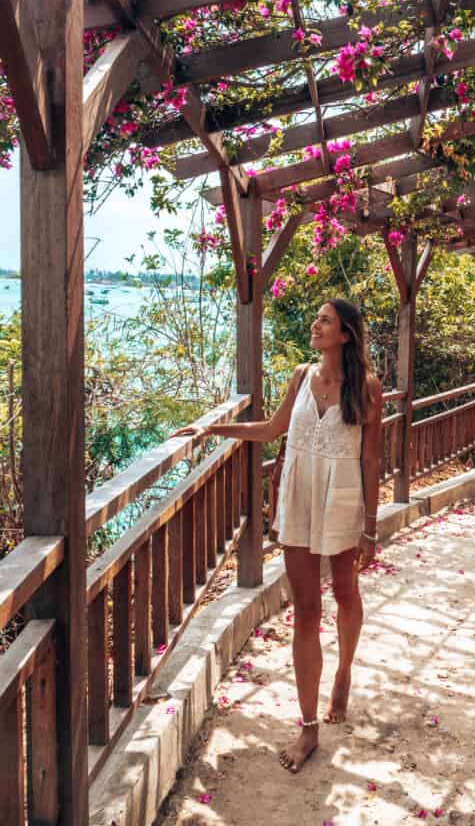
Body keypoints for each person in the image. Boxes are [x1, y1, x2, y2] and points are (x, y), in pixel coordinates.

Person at [171, 298, 383, 773]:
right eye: (318, 317)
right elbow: (270, 430)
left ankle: (343, 671)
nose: (316, 323)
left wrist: (370, 528)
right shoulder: (301, 375)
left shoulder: (368, 388)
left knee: (346, 591)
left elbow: (371, 460)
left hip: (342, 498)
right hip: (298, 500)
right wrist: (210, 428)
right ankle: (308, 726)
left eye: (325, 320)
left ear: (346, 334)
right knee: (307, 610)